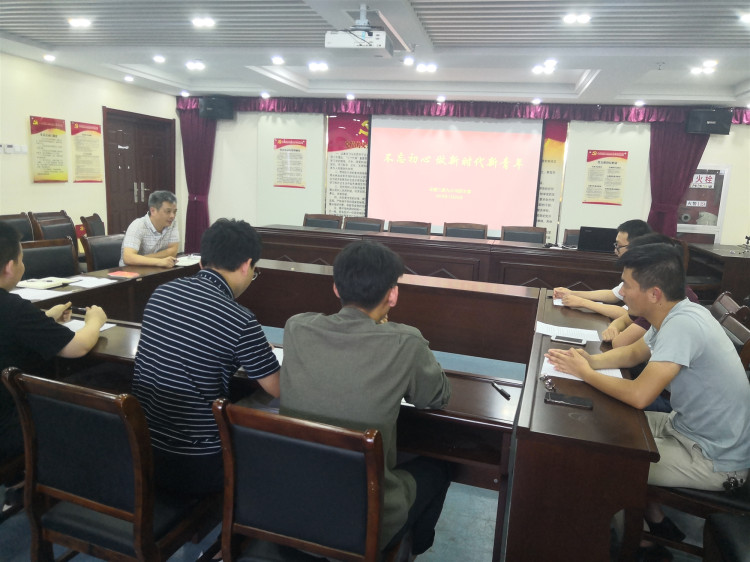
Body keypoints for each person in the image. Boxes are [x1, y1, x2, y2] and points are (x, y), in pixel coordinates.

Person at [546, 243, 750, 554]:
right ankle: (653, 522)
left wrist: (585, 374)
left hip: (714, 458)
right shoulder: (676, 312)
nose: (622, 292)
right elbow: (633, 353)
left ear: (654, 293)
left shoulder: (683, 324)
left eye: (627, 285)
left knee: (598, 462)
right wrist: (589, 361)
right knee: (603, 424)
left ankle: (627, 545)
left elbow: (640, 395)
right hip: (684, 428)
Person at [280, 240, 452, 556]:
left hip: (290, 507)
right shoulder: (405, 341)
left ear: (336, 288)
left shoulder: (296, 327)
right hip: (362, 521)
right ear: (393, 294)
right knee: (439, 469)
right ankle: (411, 549)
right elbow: (436, 397)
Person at [132, 218, 279, 497]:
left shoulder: (160, 294)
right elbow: (278, 388)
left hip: (142, 448)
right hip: (197, 462)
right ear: (247, 265)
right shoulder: (240, 319)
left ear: (202, 262)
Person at [0, 222, 107, 473]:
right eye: (22, 260)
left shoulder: (15, 312)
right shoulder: (12, 308)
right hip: (10, 425)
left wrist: (45, 318)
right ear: (10, 266)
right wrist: (95, 321)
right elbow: (78, 347)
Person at [553, 219, 652, 319]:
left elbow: (628, 315)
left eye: (619, 246)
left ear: (636, 246)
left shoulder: (649, 273)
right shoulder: (633, 266)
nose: (615, 250)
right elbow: (613, 294)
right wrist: (571, 293)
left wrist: (583, 303)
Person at [120, 190, 179, 267]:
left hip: (155, 268)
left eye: (174, 212)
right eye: (168, 211)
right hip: (131, 270)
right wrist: (159, 261)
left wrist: (143, 259)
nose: (172, 216)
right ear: (153, 211)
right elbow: (128, 257)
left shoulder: (172, 223)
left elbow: (173, 251)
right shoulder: (138, 225)